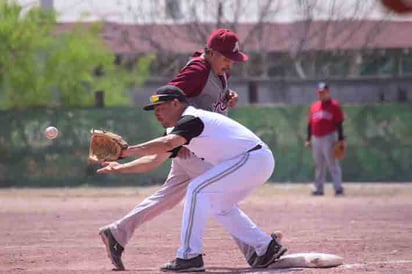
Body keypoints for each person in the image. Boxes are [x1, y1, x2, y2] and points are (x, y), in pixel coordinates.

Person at [97, 28, 282, 271]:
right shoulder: (197, 69)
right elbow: (166, 99)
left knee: (173, 196)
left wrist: (226, 98)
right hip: (190, 144)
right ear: (212, 53)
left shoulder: (216, 72)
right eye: (226, 58)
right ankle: (257, 247)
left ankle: (118, 232)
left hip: (194, 143)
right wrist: (176, 138)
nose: (229, 64)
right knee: (211, 194)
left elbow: (198, 105)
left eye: (232, 59)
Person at [305, 82, 345, 196]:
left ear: (328, 92)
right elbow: (310, 124)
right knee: (318, 165)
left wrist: (341, 139)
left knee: (332, 163)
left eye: (323, 92)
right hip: (315, 137)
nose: (321, 95)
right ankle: (318, 188)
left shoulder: (334, 106)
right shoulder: (314, 106)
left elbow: (339, 123)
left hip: (329, 137)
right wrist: (308, 139)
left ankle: (338, 188)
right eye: (319, 93)